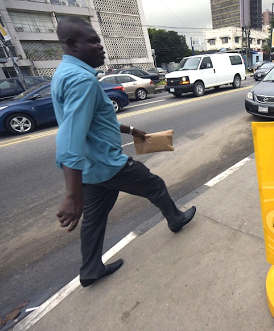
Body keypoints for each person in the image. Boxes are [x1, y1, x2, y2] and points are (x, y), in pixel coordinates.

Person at [51, 17, 196, 287]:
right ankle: (175, 219)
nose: (100, 46)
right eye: (93, 41)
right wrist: (72, 195)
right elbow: (69, 139)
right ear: (72, 44)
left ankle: (91, 269)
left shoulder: (64, 73)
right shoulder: (81, 80)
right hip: (107, 164)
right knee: (155, 185)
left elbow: (96, 121)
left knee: (94, 220)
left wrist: (132, 131)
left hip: (91, 171)